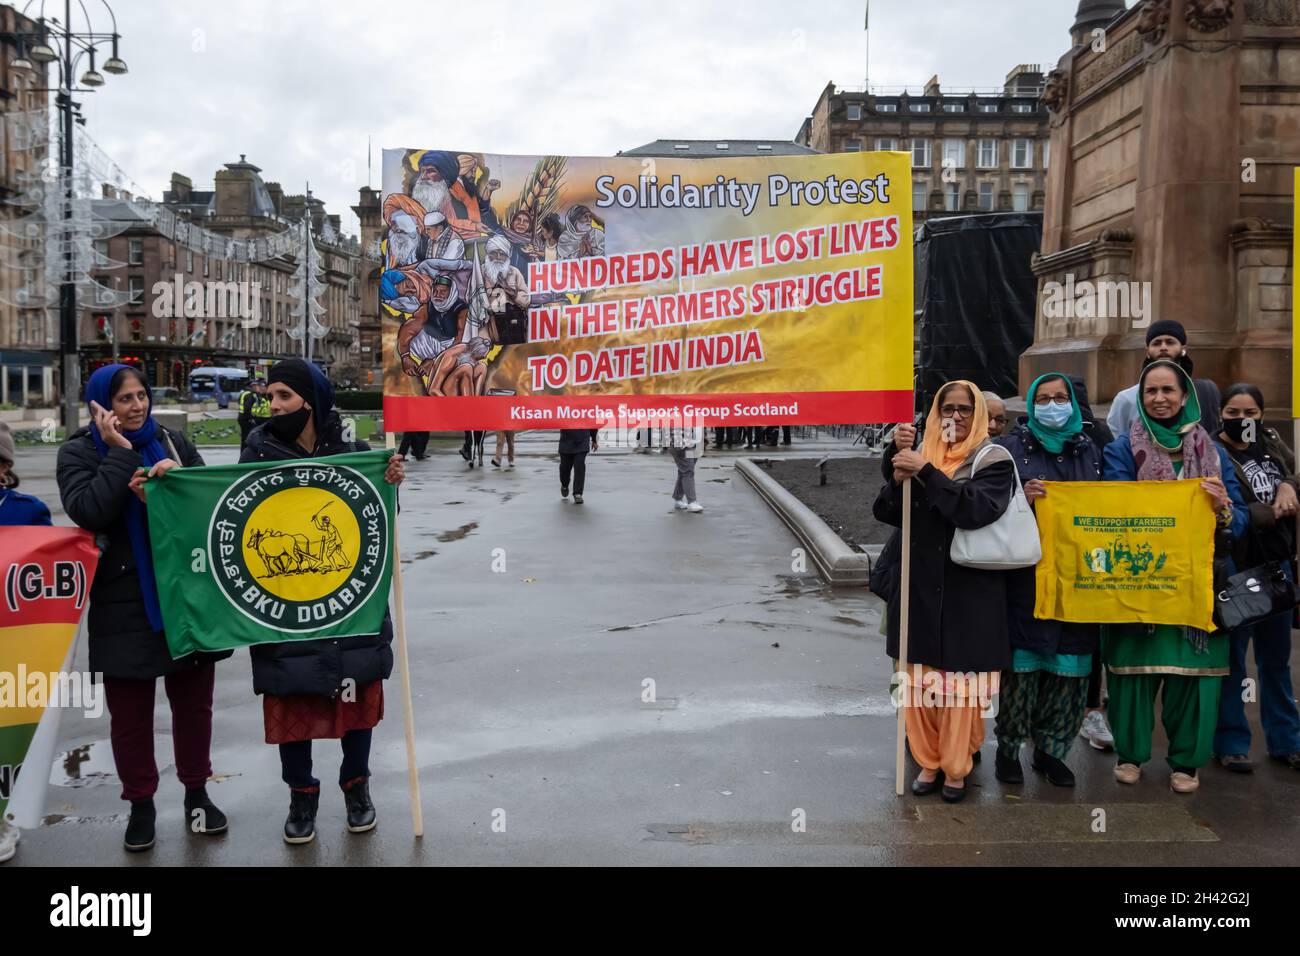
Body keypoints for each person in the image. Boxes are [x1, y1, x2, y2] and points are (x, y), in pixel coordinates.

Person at [56, 364, 230, 853]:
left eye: (140, 396)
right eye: (123, 399)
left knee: (194, 707)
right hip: (122, 600)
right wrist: (118, 456)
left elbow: (208, 511)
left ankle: (197, 794)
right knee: (130, 717)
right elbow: (88, 510)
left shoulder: (175, 443)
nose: (135, 407)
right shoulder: (77, 451)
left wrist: (174, 487)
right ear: (99, 406)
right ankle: (141, 805)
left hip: (185, 597)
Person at [241, 359, 405, 844]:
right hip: (286, 609)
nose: (273, 406)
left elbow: (376, 522)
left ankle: (357, 789)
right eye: (270, 397)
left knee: (355, 694)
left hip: (348, 606)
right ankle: (301, 796)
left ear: (310, 400)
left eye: (284, 397)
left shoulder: (353, 451)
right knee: (292, 696)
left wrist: (390, 481)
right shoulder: (257, 451)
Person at [1101, 359, 1247, 793]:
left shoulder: (1213, 453)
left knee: (1193, 679)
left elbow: (1237, 524)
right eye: (1151, 391)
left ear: (1186, 398)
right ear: (1140, 399)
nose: (1160, 399)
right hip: (1138, 581)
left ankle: (1186, 762)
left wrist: (1222, 506)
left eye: (1169, 391)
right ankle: (1130, 755)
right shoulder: (1121, 450)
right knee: (1133, 674)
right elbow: (1112, 509)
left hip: (1198, 586)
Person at [872, 382, 1014, 802]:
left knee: (961, 690)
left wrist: (926, 472)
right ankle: (928, 761)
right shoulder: (921, 453)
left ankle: (956, 768)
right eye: (946, 408)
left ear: (979, 416)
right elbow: (888, 512)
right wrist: (896, 473)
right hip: (917, 590)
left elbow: (973, 509)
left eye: (964, 409)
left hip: (969, 595)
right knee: (919, 687)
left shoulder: (994, 459)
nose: (955, 417)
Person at [993, 374, 1102, 788]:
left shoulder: (1091, 451)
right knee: (1021, 671)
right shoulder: (1008, 449)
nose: (1052, 405)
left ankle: (1052, 750)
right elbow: (986, 504)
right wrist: (1022, 496)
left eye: (1060, 398)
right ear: (1031, 404)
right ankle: (1008, 748)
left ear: (1073, 403)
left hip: (1078, 578)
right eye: (1043, 398)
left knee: (1069, 671)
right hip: (1026, 578)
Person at [1211, 384, 1300, 773]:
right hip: (1240, 567)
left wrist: (1286, 486)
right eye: (1233, 411)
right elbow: (1225, 507)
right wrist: (1270, 511)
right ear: (1221, 414)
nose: (1242, 419)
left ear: (1261, 415)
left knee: (1275, 661)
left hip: (1278, 566)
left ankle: (1286, 741)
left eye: (1250, 412)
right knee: (1234, 661)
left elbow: (1296, 476)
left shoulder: (1272, 442)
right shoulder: (1215, 451)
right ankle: (1231, 743)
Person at [0, 422, 52, 864]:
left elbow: (52, 573)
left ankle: (2, 819)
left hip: (10, 646)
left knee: (6, 736)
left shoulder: (27, 512)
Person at [1069, 375, 1117, 751]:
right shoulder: (1026, 441)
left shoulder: (1099, 438)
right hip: (1058, 548)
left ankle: (1090, 707)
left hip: (1095, 548)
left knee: (1093, 633)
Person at [1107, 320, 1222, 438]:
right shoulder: (1126, 399)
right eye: (1156, 343)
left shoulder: (1204, 392)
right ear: (1147, 351)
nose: (1163, 347)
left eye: (1170, 342)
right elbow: (1116, 440)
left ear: (1183, 349)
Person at [666, 420, 704, 513]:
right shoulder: (678, 409)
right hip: (683, 445)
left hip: (693, 444)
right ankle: (692, 502)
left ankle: (678, 499)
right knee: (687, 472)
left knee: (684, 471)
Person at [558, 428, 597, 504]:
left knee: (579, 466)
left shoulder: (586, 415)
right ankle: (564, 484)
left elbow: (593, 423)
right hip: (566, 441)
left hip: (582, 441)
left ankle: (577, 493)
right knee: (565, 468)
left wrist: (594, 439)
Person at [237, 377, 271, 448]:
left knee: (248, 437)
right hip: (249, 419)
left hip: (248, 418)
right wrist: (252, 418)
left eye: (258, 386)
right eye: (256, 386)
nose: (258, 388)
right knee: (248, 438)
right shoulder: (251, 395)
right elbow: (249, 408)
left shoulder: (245, 393)